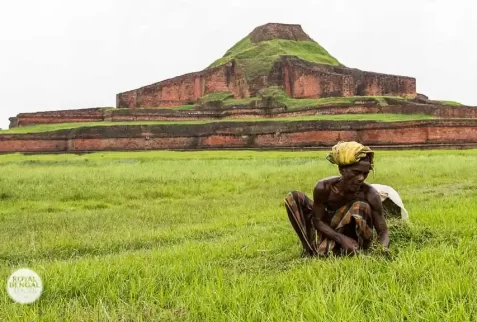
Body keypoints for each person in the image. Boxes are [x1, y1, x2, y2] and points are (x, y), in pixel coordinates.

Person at [284, 141, 389, 257]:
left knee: (360, 207)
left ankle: (360, 251)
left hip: (353, 235)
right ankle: (309, 249)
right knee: (293, 197)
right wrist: (341, 239)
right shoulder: (324, 188)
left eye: (365, 174)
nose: (361, 178)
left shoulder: (370, 194)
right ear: (342, 170)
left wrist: (382, 250)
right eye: (356, 172)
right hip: (330, 229)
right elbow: (317, 220)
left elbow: (383, 231)